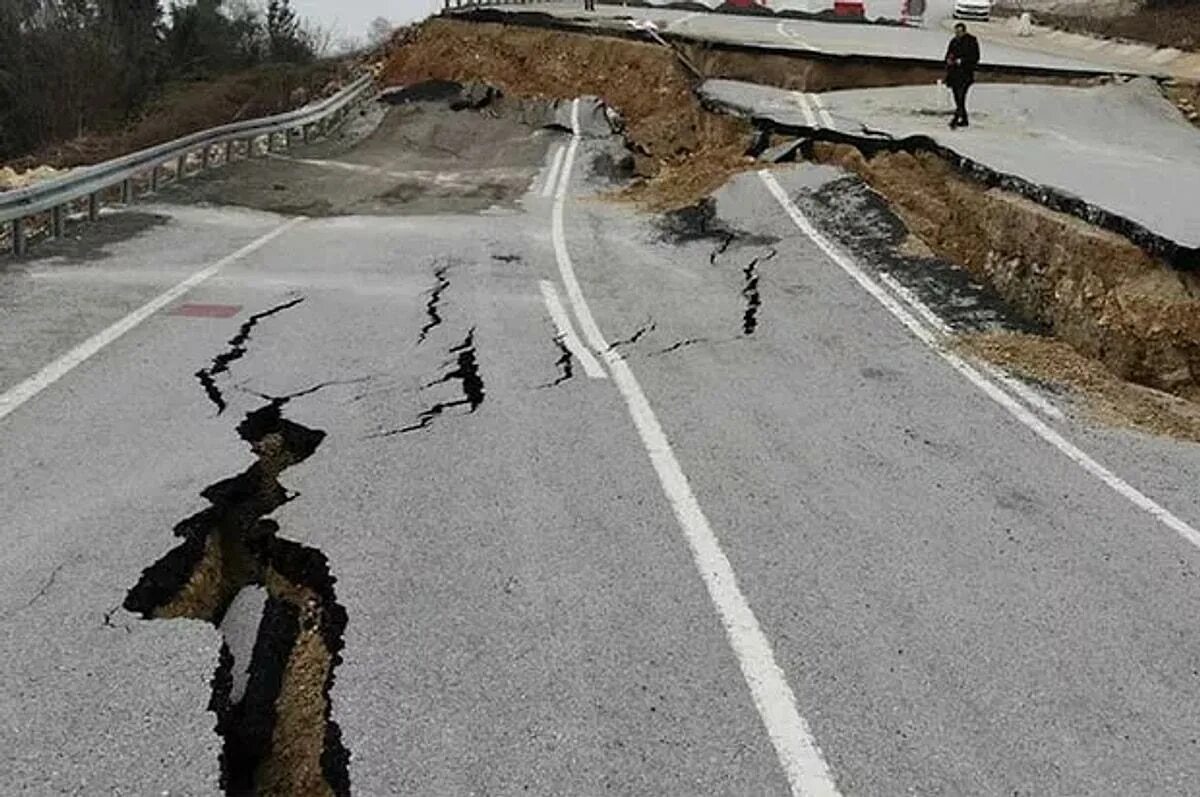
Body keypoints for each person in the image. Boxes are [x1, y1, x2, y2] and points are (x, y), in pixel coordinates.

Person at [945, 22, 980, 129]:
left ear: (964, 31)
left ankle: (955, 119)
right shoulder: (953, 41)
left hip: (965, 74)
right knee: (957, 98)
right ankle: (964, 119)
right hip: (954, 74)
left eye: (959, 32)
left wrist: (962, 61)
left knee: (961, 96)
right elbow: (948, 54)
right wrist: (948, 60)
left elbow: (975, 57)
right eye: (956, 32)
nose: (957, 34)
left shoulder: (971, 41)